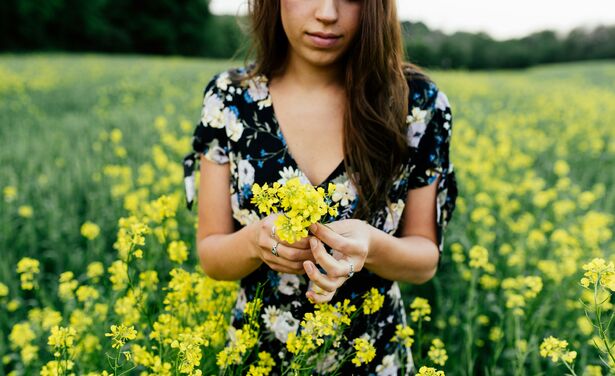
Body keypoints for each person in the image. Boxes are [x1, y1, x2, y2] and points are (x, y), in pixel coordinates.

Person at [181, 0, 458, 374]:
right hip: (260, 357)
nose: (327, 13)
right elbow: (212, 255)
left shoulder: (418, 103)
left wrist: (372, 245)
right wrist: (255, 242)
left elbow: (425, 259)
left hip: (373, 359)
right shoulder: (229, 98)